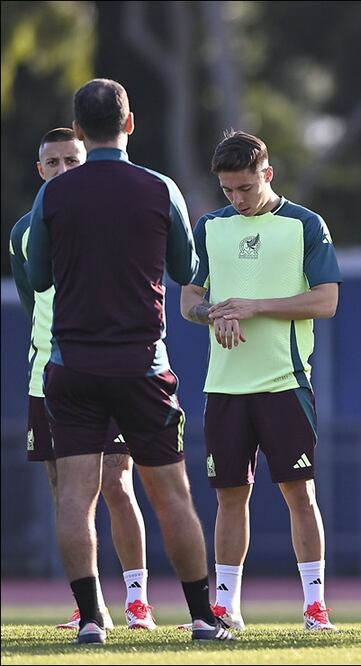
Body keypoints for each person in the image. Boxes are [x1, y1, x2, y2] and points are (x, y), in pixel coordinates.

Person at [25, 78, 232, 644]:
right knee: (172, 494)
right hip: (143, 364)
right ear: (130, 123)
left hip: (71, 366)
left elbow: (39, 275)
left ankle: (91, 618)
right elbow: (186, 266)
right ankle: (200, 617)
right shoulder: (160, 187)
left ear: (80, 131)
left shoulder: (53, 194)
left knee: (76, 495)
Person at [180, 131, 341, 632]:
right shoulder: (208, 227)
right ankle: (226, 606)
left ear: (267, 175)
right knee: (230, 496)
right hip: (225, 388)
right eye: (228, 190)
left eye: (245, 187)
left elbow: (327, 300)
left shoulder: (304, 224)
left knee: (300, 493)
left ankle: (315, 606)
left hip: (285, 383)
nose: (237, 198)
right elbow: (188, 301)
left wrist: (255, 307)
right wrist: (213, 314)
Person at [9, 128, 157, 632]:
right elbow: (34, 304)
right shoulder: (25, 231)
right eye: (52, 163)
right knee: (65, 492)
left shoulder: (108, 215)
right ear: (41, 170)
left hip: (108, 366)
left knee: (117, 482)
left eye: (71, 159)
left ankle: (137, 600)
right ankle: (89, 606)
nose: (62, 170)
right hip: (49, 376)